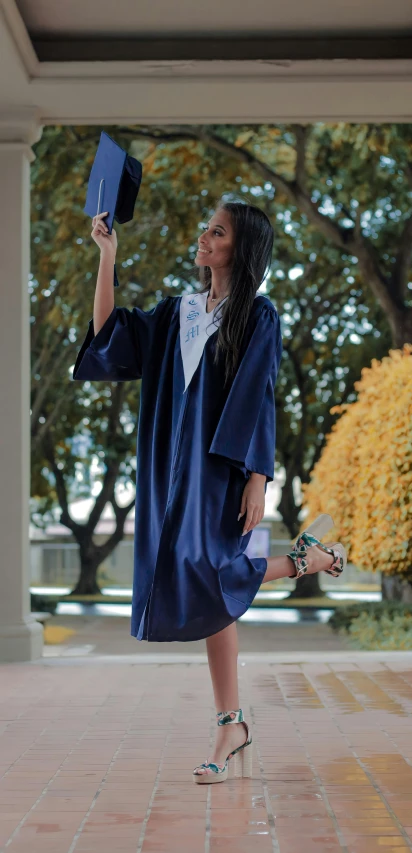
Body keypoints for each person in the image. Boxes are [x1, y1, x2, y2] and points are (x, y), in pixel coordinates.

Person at [74, 199, 347, 785]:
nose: (204, 237)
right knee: (204, 583)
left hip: (221, 467)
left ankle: (305, 562)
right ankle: (232, 720)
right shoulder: (179, 313)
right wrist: (107, 257)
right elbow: (106, 338)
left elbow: (260, 396)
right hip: (171, 471)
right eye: (207, 228)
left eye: (217, 232)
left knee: (208, 572)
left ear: (238, 251)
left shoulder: (258, 317)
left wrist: (257, 477)